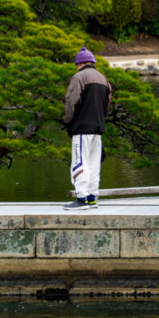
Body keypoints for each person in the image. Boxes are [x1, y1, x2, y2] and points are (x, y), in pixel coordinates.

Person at [62, 47, 112, 210]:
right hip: (97, 129)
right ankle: (92, 198)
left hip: (82, 128)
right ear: (93, 63)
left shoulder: (79, 77)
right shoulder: (103, 79)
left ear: (79, 63)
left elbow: (71, 102)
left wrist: (68, 122)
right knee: (93, 164)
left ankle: (81, 198)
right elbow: (107, 105)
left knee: (80, 162)